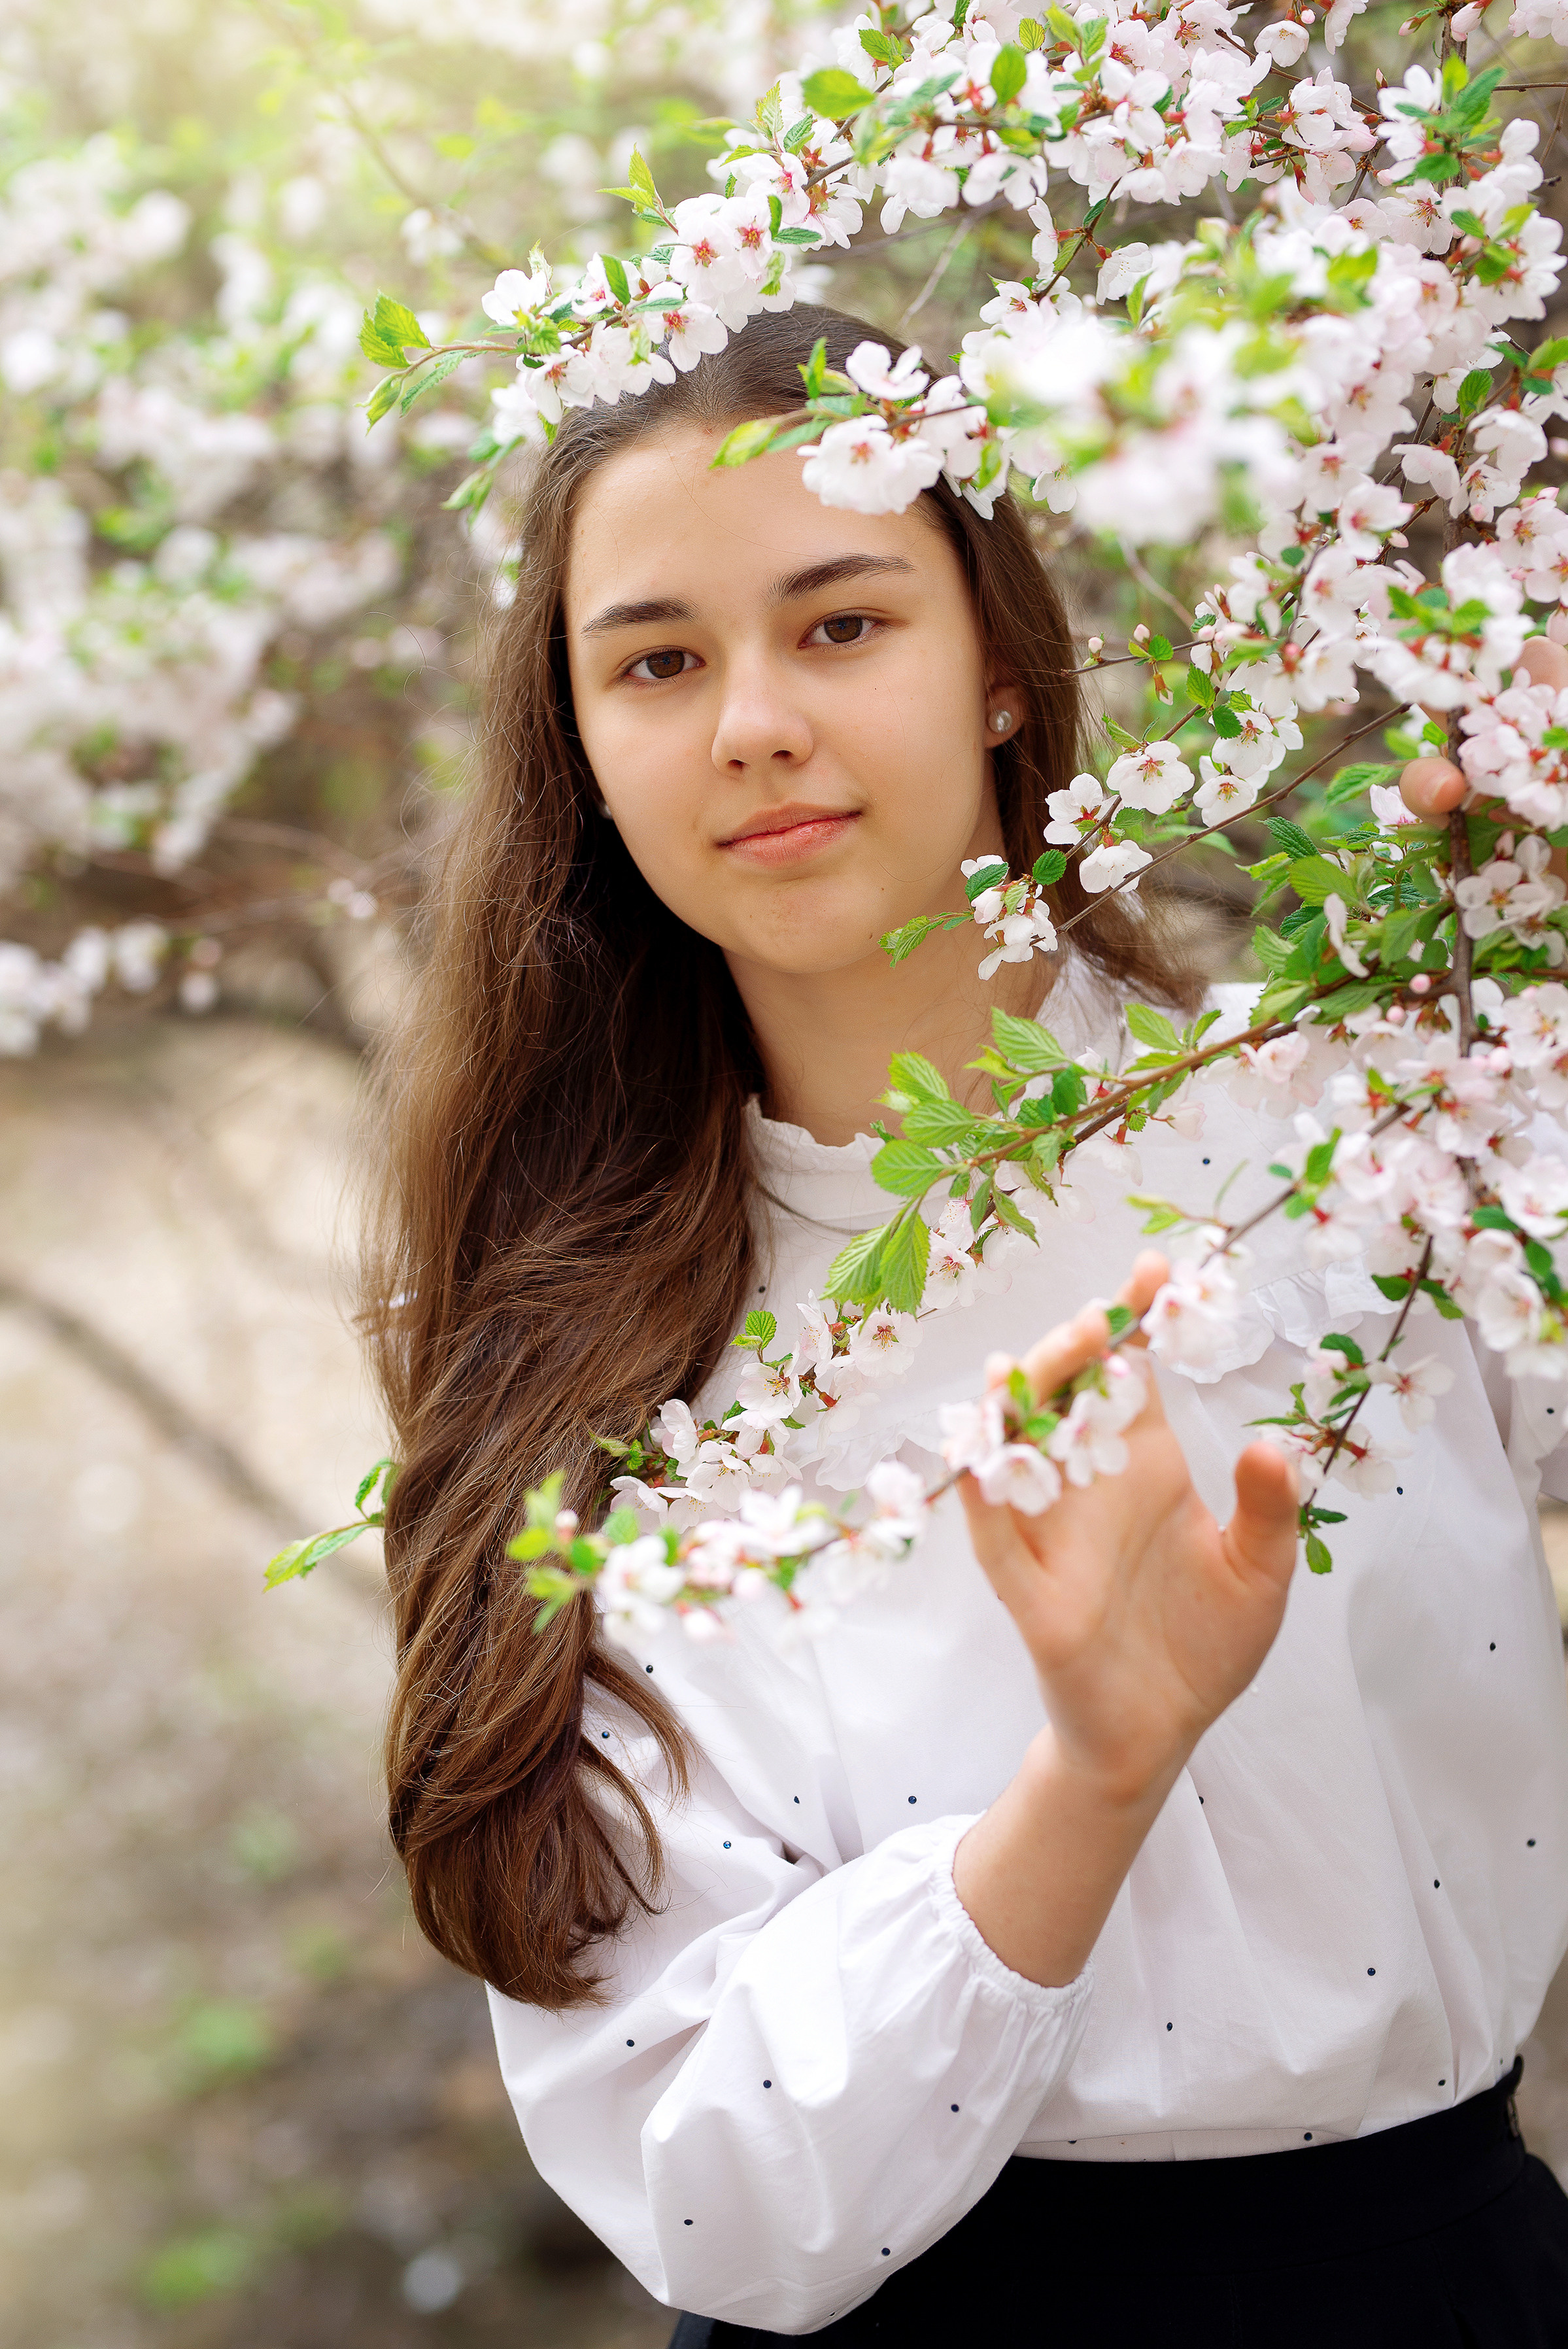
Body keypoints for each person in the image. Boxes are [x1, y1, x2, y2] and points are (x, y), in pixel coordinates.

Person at [363, 307, 1568, 2344]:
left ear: (999, 664)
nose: (754, 724)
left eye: (840, 625)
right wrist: (1089, 1783)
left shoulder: (1365, 1128)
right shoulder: (572, 1342)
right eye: (658, 663)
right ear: (584, 750)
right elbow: (702, 2177)